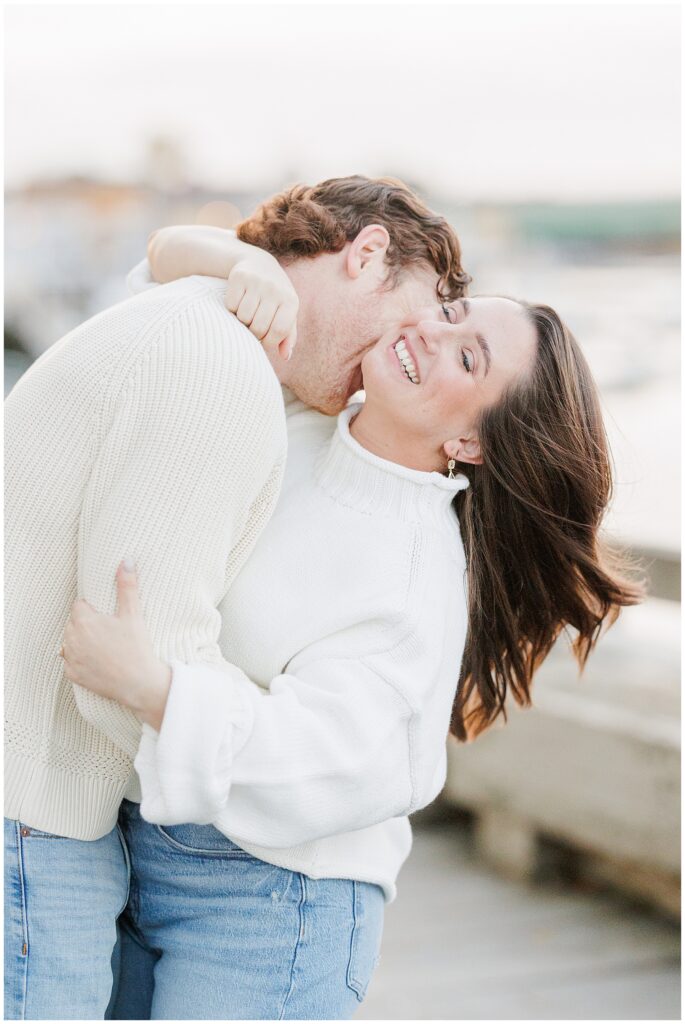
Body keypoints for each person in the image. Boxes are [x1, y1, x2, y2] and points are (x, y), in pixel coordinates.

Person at [60, 226, 642, 1019]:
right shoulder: (297, 418)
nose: (430, 334)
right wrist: (243, 263)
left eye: (467, 358)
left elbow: (330, 756)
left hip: (276, 910)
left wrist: (156, 689)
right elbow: (155, 293)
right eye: (452, 312)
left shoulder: (412, 577)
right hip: (150, 853)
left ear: (470, 441)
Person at [4, 176, 470, 1021]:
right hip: (42, 819)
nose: (397, 352)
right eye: (412, 320)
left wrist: (163, 695)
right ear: (365, 255)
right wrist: (231, 255)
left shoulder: (218, 347)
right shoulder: (218, 362)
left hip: (246, 881)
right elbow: (123, 655)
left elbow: (146, 669)